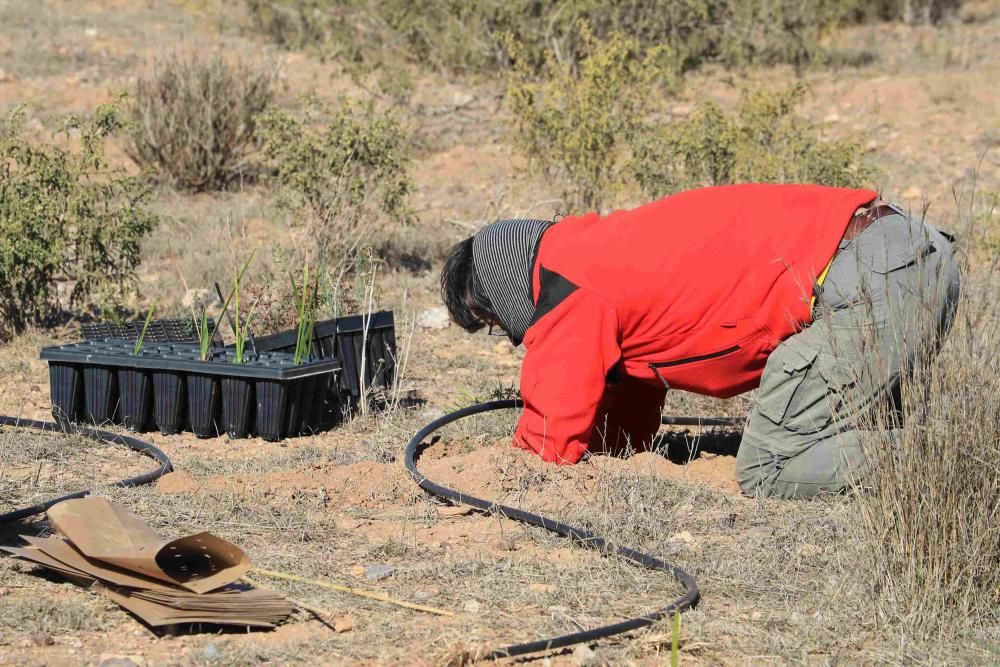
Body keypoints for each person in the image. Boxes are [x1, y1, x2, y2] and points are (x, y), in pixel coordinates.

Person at [440, 184, 960, 498]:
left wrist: (497, 468)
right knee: (840, 429)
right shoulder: (595, 253)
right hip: (911, 257)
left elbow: (546, 445)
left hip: (880, 279)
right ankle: (927, 448)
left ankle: (957, 456)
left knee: (767, 467)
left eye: (493, 323)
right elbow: (628, 409)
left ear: (502, 290)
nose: (511, 340)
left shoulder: (568, 287)